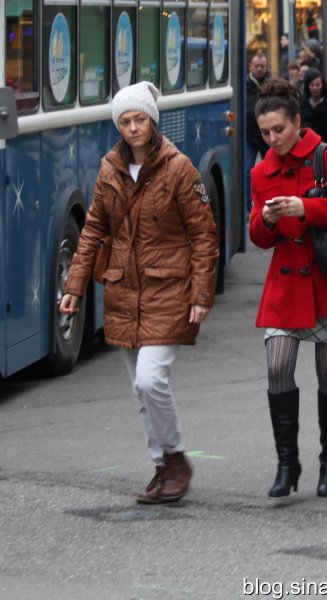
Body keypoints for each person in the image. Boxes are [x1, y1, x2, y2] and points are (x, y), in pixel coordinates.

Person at [60, 81, 218, 504]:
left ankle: (176, 459)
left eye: (140, 119)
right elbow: (94, 228)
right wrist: (74, 286)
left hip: (169, 289)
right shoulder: (110, 169)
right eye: (125, 121)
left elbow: (204, 234)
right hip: (124, 290)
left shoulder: (180, 168)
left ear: (153, 120)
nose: (133, 128)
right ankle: (161, 466)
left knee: (151, 380)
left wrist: (202, 293)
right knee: (139, 387)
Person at [249, 78, 327, 498]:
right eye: (265, 133)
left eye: (279, 130)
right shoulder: (261, 171)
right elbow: (259, 238)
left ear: (297, 122)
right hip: (285, 284)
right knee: (277, 367)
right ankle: (287, 464)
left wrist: (306, 207)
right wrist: (265, 220)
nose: (272, 139)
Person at [245, 51, 271, 208]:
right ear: (250, 67)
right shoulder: (243, 84)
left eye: (262, 66)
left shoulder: (271, 84)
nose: (260, 69)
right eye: (257, 66)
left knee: (270, 171)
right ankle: (248, 207)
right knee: (248, 171)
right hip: (249, 135)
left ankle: (269, 202)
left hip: (268, 134)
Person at [300, 67, 327, 142]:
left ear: (322, 86)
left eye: (318, 85)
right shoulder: (302, 103)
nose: (315, 88)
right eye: (312, 85)